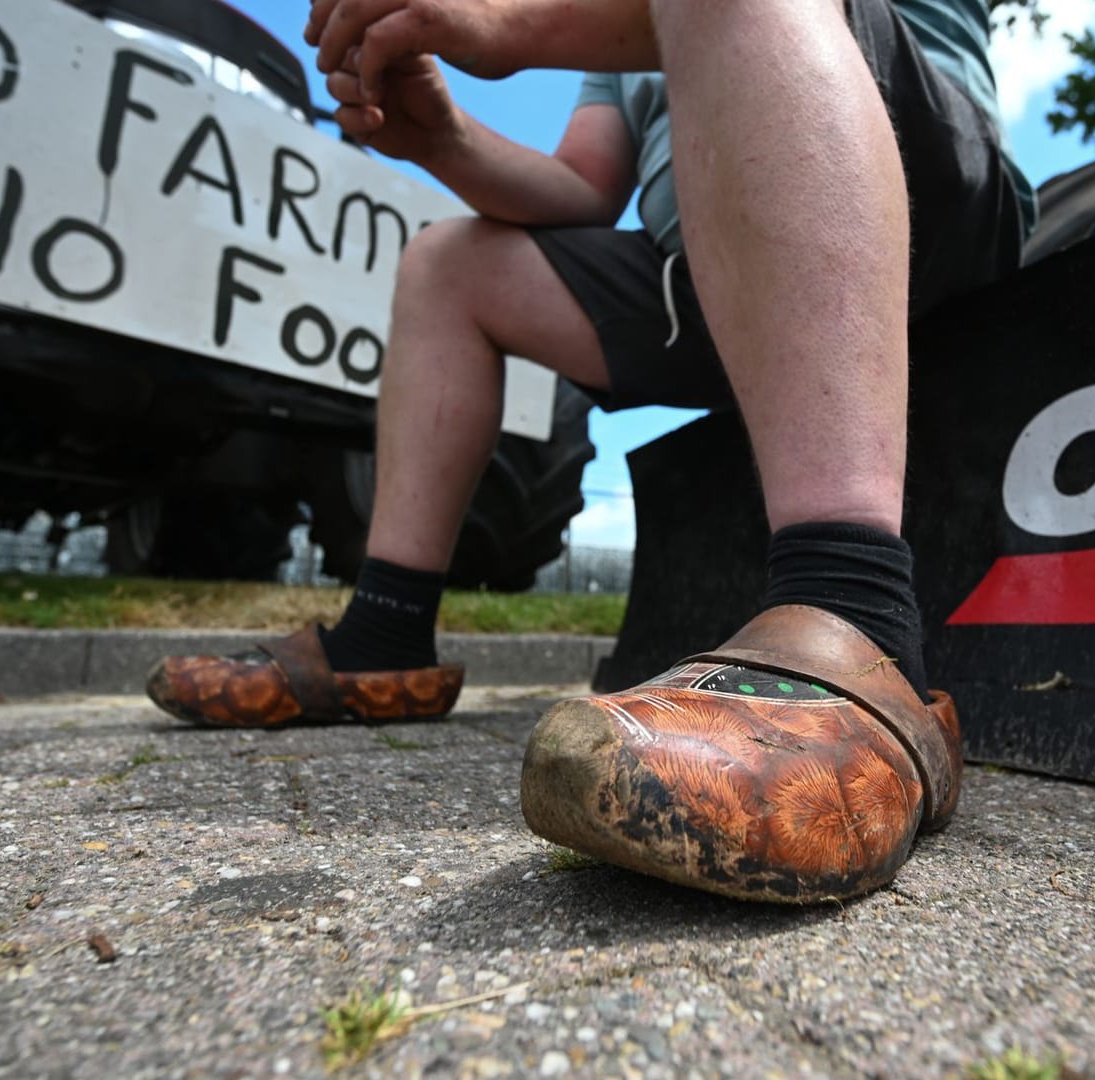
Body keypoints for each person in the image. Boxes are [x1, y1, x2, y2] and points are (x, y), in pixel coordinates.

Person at [146, 0, 1035, 903]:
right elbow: (583, 185)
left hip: (914, 179)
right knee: (447, 264)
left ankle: (859, 618)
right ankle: (384, 634)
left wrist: (503, 29)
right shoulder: (608, 58)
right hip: (701, 255)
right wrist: (444, 139)